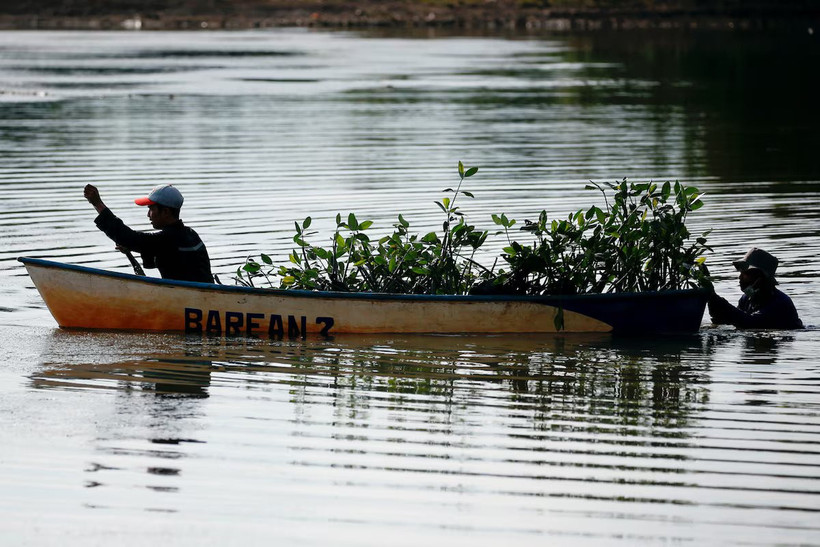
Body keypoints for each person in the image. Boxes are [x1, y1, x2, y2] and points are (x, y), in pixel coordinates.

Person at [84, 183, 214, 283]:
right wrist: (131, 248)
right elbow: (154, 261)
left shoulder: (166, 239)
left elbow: (128, 237)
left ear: (166, 212)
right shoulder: (191, 234)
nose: (148, 215)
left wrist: (98, 204)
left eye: (151, 209)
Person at [708, 247, 803, 329]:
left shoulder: (780, 303)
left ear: (760, 278)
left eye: (745, 273)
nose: (740, 277)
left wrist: (721, 303)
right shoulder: (746, 299)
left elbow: (750, 324)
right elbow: (725, 321)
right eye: (740, 273)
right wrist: (710, 297)